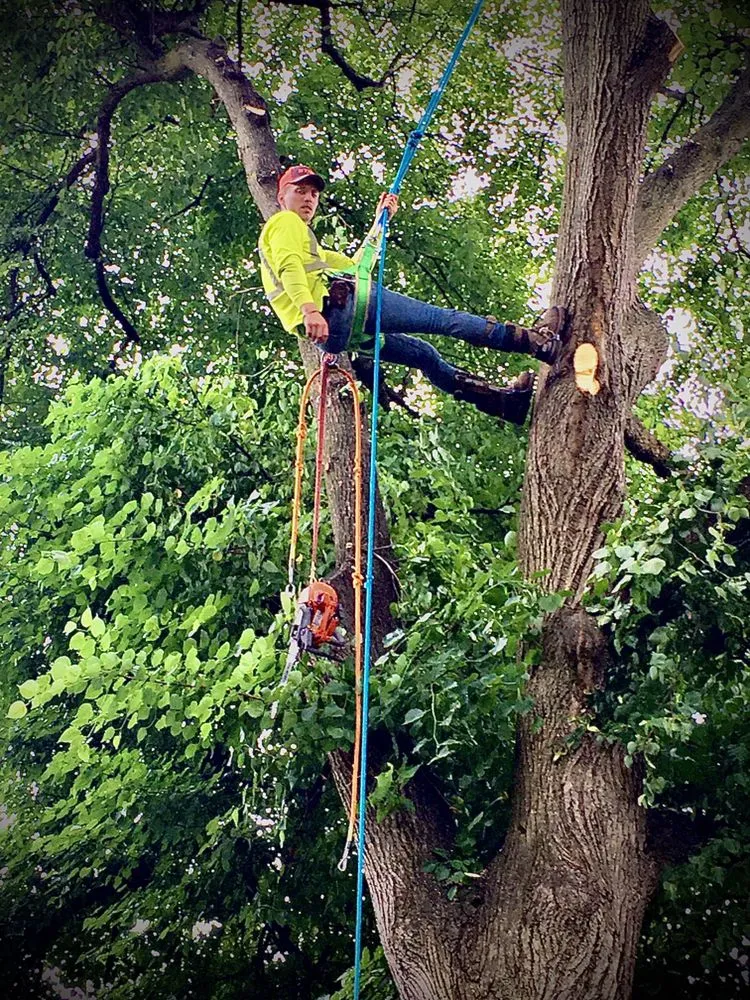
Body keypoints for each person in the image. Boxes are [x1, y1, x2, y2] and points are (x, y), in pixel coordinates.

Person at [258, 164, 567, 424]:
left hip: (338, 334)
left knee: (424, 355)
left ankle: (502, 404)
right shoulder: (284, 222)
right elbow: (289, 267)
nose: (309, 198)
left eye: (313, 193)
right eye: (300, 191)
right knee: (441, 319)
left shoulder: (313, 250)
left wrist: (382, 220)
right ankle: (535, 342)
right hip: (338, 308)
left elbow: (357, 266)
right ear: (281, 195)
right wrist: (310, 310)